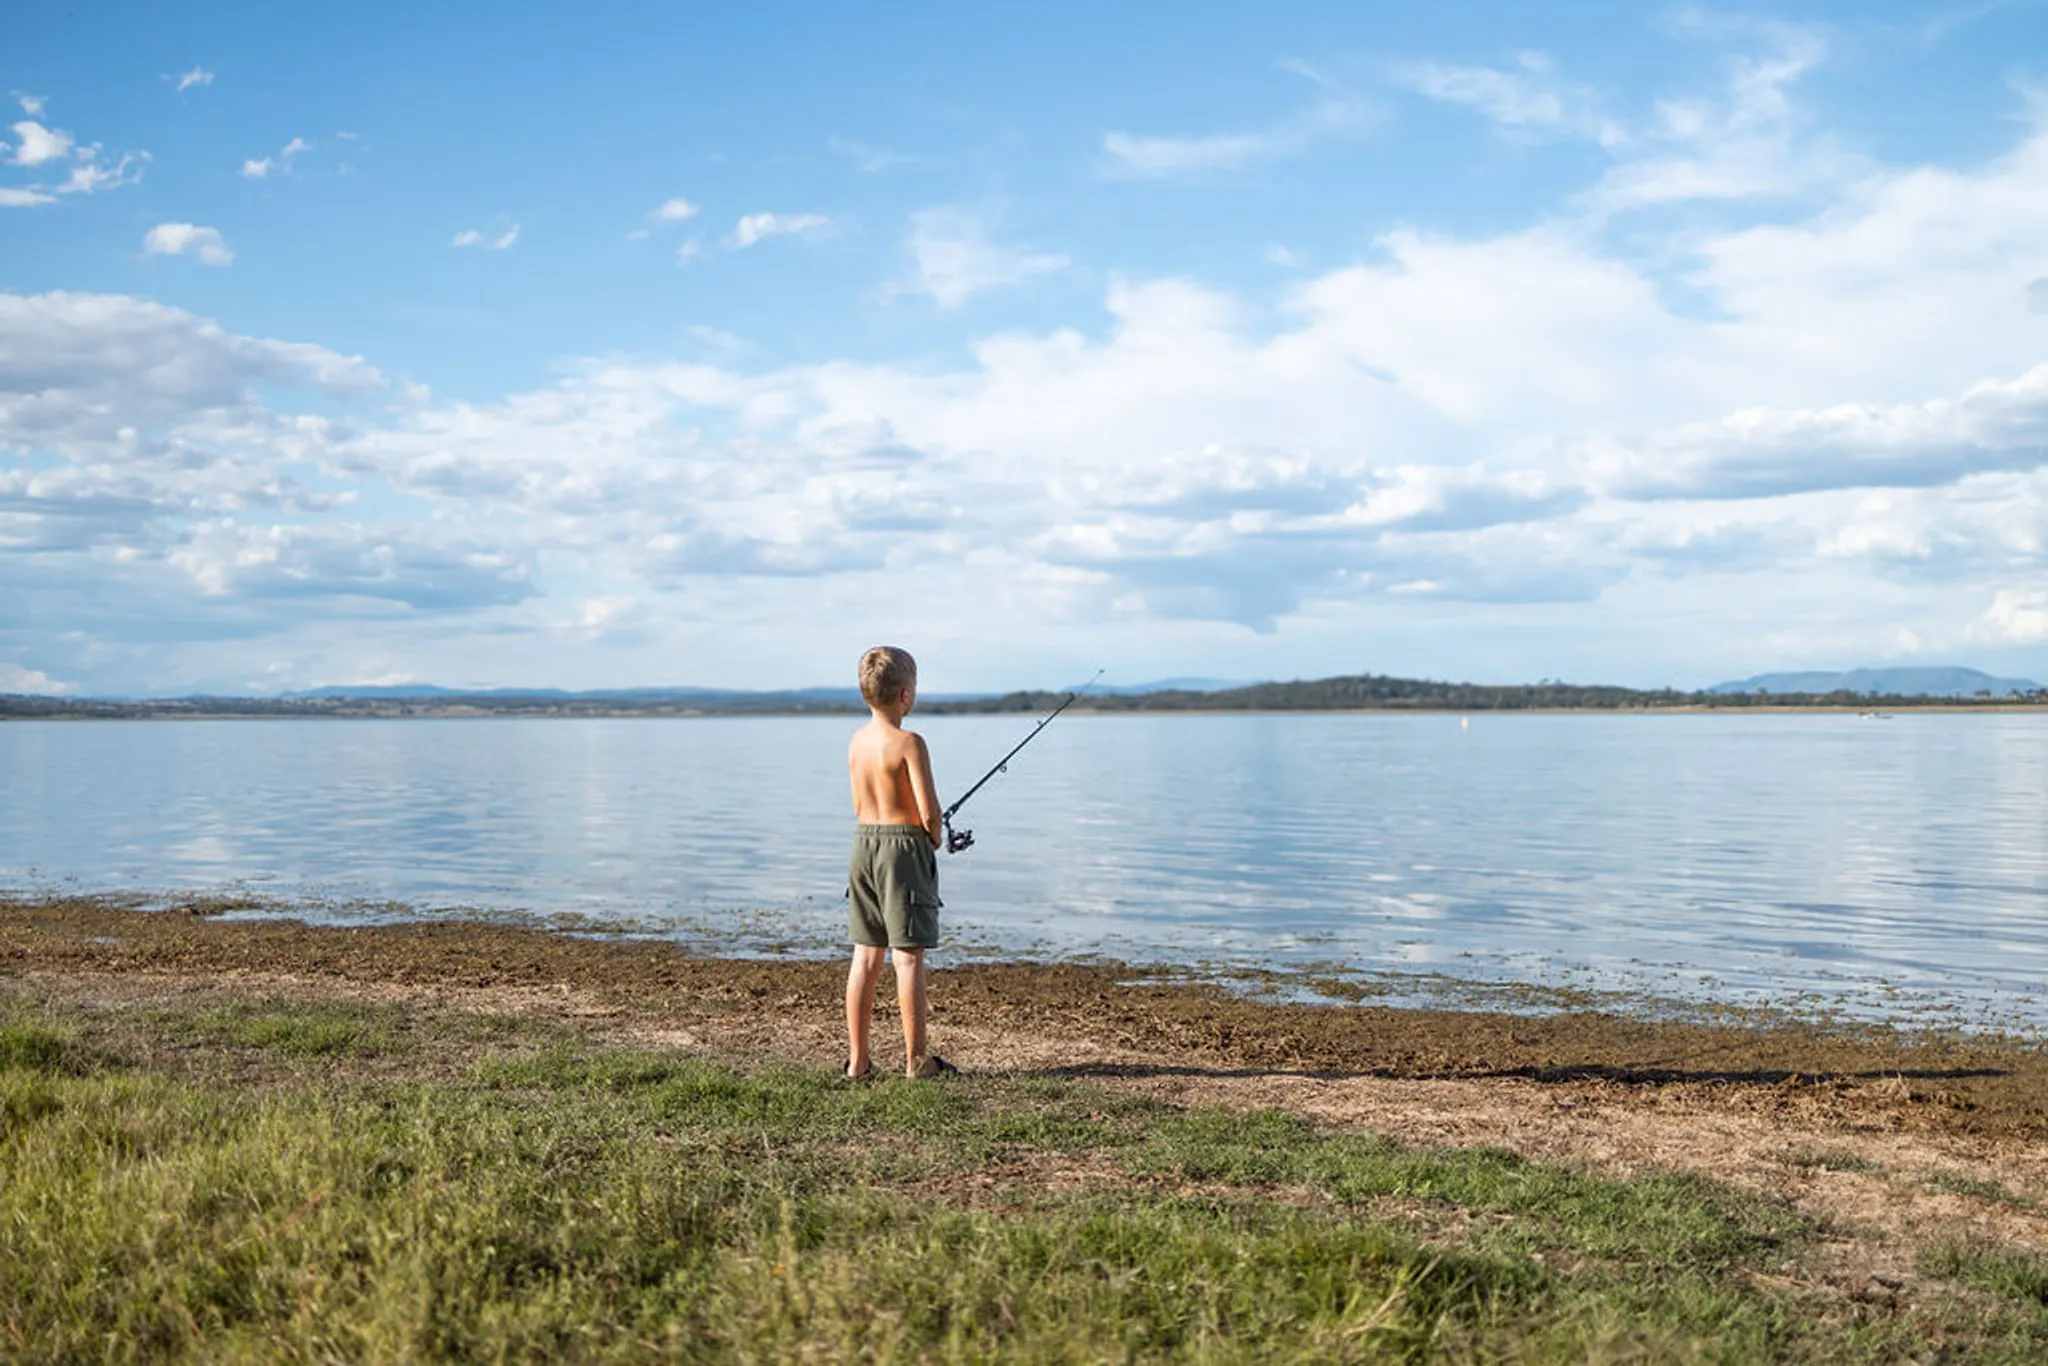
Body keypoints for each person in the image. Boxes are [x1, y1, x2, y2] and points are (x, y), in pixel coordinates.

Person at [843, 645, 956, 1080]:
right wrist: (934, 837)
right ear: (906, 694)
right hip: (902, 849)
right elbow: (929, 812)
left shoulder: (856, 742)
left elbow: (857, 802)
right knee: (908, 958)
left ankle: (858, 1060)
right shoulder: (910, 743)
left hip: (864, 844)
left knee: (865, 956)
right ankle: (916, 1062)